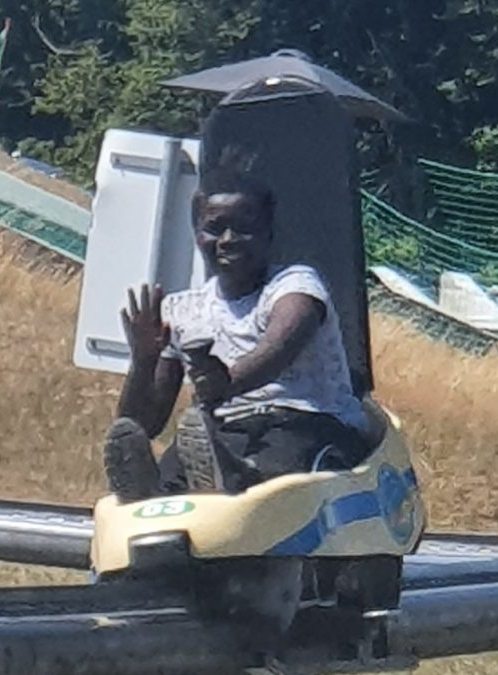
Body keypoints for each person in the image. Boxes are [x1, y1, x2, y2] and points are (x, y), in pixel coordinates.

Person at [102, 175, 371, 501]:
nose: (228, 240)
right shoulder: (182, 310)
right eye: (215, 229)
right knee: (179, 464)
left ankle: (237, 479)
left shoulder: (296, 285)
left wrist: (226, 383)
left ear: (268, 232)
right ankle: (154, 493)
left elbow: (277, 349)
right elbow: (145, 423)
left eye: (244, 229)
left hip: (307, 420)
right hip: (224, 431)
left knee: (282, 453)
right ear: (197, 234)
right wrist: (144, 361)